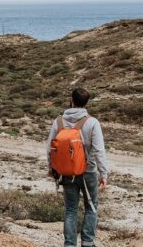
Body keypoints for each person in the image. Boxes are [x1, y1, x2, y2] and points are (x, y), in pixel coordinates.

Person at [46, 87, 108, 247]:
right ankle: (87, 243)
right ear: (86, 103)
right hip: (88, 172)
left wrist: (51, 168)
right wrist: (103, 174)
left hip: (66, 172)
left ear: (71, 100)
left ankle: (69, 244)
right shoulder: (92, 122)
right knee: (91, 207)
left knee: (71, 210)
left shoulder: (58, 121)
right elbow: (99, 150)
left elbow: (50, 148)